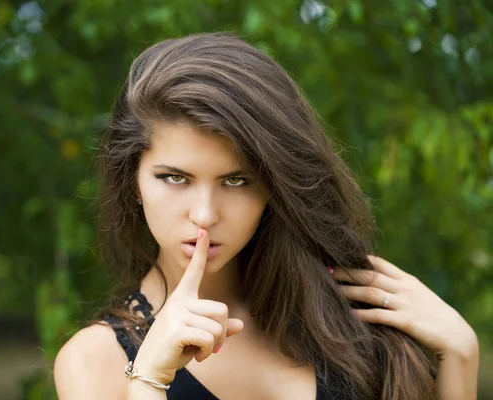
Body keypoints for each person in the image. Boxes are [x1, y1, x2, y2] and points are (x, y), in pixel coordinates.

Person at [53, 32, 479, 399]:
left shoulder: (346, 323)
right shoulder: (95, 360)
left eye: (237, 181)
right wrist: (150, 380)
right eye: (175, 178)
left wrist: (461, 355)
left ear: (274, 189)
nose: (204, 215)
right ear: (134, 182)